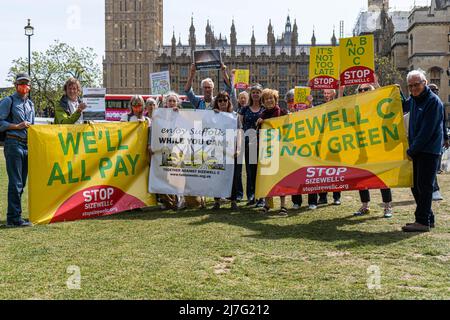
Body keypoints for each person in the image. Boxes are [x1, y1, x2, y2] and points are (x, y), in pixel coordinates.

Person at [402, 70, 444, 233]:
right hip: (418, 149)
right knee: (415, 185)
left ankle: (422, 221)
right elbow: (398, 105)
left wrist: (412, 150)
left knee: (424, 186)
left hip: (428, 150)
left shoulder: (433, 102)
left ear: (425, 83)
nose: (413, 89)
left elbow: (427, 131)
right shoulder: (413, 99)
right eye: (410, 86)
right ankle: (428, 218)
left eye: (416, 85)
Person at [351, 84, 394, 218]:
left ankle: (387, 207)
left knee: (383, 179)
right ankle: (365, 206)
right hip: (361, 150)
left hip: (378, 148)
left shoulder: (379, 106)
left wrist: (377, 85)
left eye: (366, 89)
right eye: (360, 90)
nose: (363, 91)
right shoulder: (355, 107)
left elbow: (390, 104)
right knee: (362, 178)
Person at [0, 73, 35, 227]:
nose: (24, 86)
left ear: (30, 86)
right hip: (13, 144)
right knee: (16, 182)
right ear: (15, 85)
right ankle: (13, 219)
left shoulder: (31, 104)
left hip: (27, 146)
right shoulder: (9, 101)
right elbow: (0, 122)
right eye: (21, 83)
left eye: (26, 84)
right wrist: (16, 126)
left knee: (22, 182)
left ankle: (16, 215)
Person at [256, 88, 288, 216]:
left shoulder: (283, 112)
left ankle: (283, 206)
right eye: (266, 99)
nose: (269, 100)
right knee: (268, 177)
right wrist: (258, 123)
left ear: (275, 99)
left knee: (280, 178)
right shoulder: (262, 115)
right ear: (263, 101)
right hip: (266, 151)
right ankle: (267, 204)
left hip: (280, 150)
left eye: (271, 98)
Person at [285, 89, 318, 210]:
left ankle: (312, 201)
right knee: (295, 174)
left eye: (294, 100)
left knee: (311, 173)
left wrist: (310, 104)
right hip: (294, 148)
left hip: (309, 146)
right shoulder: (287, 114)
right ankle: (296, 201)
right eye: (290, 101)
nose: (292, 103)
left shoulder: (310, 110)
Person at [312, 89, 342, 207]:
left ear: (334, 93)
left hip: (335, 144)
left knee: (336, 171)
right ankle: (322, 197)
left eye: (329, 92)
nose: (326, 95)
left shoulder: (337, 105)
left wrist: (341, 90)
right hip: (322, 143)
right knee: (322, 171)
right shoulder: (320, 106)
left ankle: (336, 197)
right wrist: (309, 103)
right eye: (324, 93)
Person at [211, 91, 241, 211]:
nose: (223, 102)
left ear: (229, 101)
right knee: (217, 174)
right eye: (220, 100)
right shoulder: (213, 115)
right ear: (217, 103)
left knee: (233, 175)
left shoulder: (234, 116)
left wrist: (238, 148)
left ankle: (233, 201)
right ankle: (217, 201)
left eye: (225, 100)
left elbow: (239, 132)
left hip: (231, 149)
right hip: (216, 149)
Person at [238, 84, 265, 207]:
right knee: (250, 171)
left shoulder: (265, 109)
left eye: (258, 92)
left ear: (261, 94)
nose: (255, 94)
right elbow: (240, 126)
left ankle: (261, 197)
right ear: (251, 94)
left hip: (263, 144)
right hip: (249, 143)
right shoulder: (244, 109)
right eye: (253, 92)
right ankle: (251, 196)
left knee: (261, 171)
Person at [428, 84, 448, 201]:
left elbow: (443, 123)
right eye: (432, 90)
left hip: (438, 141)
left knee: (434, 168)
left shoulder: (439, 104)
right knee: (432, 168)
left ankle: (434, 190)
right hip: (428, 142)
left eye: (436, 90)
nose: (435, 92)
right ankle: (434, 190)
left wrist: (446, 138)